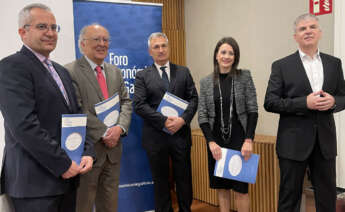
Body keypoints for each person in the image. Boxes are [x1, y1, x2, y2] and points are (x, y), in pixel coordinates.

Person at [0, 3, 94, 212]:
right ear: (22, 32)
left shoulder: (61, 71)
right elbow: (24, 126)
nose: (50, 33)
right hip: (35, 185)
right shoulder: (11, 67)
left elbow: (76, 116)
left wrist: (86, 152)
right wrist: (63, 164)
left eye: (54, 28)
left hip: (68, 179)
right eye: (42, 27)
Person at [264, 13, 345, 212]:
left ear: (319, 32)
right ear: (296, 37)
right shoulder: (281, 65)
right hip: (292, 144)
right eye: (302, 29)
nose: (308, 31)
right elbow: (270, 102)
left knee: (327, 199)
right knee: (289, 199)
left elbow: (343, 97)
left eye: (312, 27)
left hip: (325, 144)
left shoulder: (334, 64)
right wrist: (304, 103)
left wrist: (334, 101)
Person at [65, 24, 132, 212]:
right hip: (88, 152)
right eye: (96, 39)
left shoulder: (115, 72)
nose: (102, 44)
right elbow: (76, 109)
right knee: (83, 204)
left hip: (113, 150)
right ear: (82, 44)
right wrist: (105, 132)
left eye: (105, 40)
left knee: (110, 205)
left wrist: (120, 129)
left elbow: (126, 102)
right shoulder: (70, 72)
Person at [133, 32, 198, 212]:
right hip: (156, 137)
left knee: (184, 180)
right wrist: (163, 121)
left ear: (169, 48)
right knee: (160, 181)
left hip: (180, 136)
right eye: (156, 47)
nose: (161, 50)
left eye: (164, 46)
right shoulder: (142, 75)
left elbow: (194, 99)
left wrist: (183, 120)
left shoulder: (184, 72)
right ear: (150, 51)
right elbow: (138, 105)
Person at [198, 37, 258, 212]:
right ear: (216, 55)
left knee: (241, 189)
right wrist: (210, 141)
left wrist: (249, 139)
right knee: (222, 188)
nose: (227, 56)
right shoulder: (206, 82)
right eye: (223, 52)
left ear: (235, 57)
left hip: (240, 141)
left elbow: (253, 109)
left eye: (231, 53)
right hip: (216, 142)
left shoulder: (244, 77)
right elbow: (202, 115)